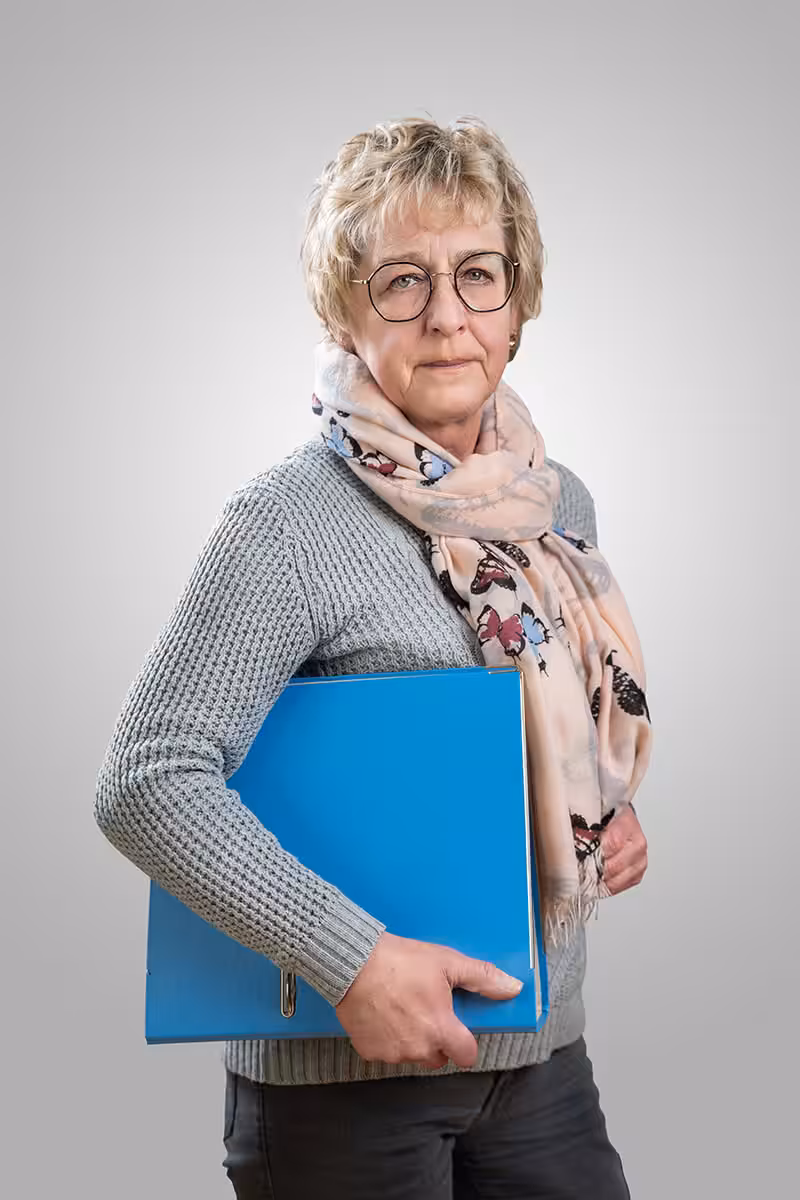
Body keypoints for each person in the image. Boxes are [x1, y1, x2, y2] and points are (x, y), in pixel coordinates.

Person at [95, 115, 651, 1199]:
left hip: (539, 1062)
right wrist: (349, 960)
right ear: (345, 314)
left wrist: (600, 813)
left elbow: (552, 722)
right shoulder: (285, 522)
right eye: (402, 281)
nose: (447, 316)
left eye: (477, 274)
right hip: (338, 1091)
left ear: (518, 305)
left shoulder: (555, 504)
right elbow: (146, 782)